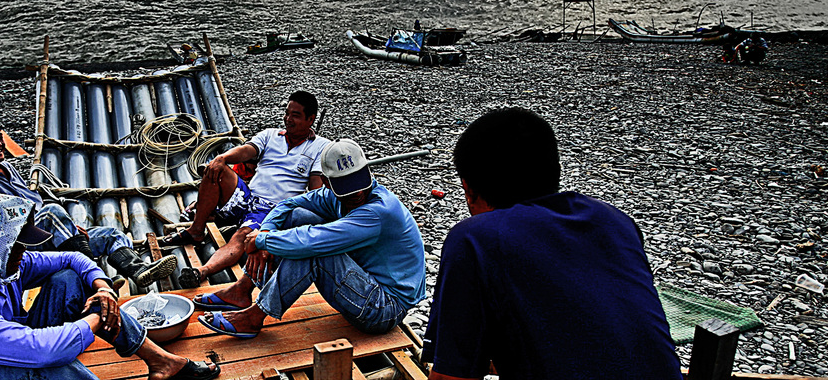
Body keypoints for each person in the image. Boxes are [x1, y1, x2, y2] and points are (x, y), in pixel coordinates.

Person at [422, 108, 680, 380]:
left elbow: (451, 378)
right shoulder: (614, 221)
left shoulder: (475, 238)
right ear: (553, 168)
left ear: (469, 190)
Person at [0, 193, 220, 380]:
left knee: (69, 278)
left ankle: (161, 360)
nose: (23, 255)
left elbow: (71, 258)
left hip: (0, 353)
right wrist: (96, 317)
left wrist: (105, 289)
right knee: (50, 365)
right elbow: (38, 353)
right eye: (16, 247)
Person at [194, 137, 426, 339]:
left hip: (384, 308)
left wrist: (261, 241)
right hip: (364, 285)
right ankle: (241, 290)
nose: (357, 193)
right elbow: (288, 204)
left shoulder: (377, 211)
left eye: (358, 183)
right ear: (327, 183)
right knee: (297, 216)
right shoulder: (333, 195)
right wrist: (264, 232)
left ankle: (254, 317)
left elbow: (313, 241)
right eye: (346, 188)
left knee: (313, 251)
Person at [0, 118, 176, 289]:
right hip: (23, 249)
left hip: (46, 233)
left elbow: (33, 202)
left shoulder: (7, 167)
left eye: (0, 137)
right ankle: (94, 275)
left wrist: (68, 228)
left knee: (112, 235)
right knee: (53, 211)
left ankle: (138, 271)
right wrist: (54, 221)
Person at [161, 91, 331, 289]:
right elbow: (247, 150)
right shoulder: (270, 135)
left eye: (295, 115)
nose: (288, 119)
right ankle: (197, 229)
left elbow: (315, 190)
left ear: (311, 119)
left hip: (272, 210)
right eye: (287, 113)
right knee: (215, 169)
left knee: (242, 236)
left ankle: (203, 270)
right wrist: (222, 158)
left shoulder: (321, 147)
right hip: (249, 198)